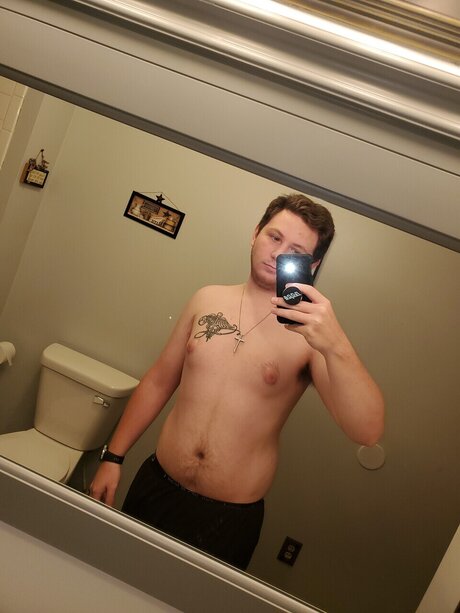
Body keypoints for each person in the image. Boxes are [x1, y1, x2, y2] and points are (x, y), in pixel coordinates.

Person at [90, 193, 384, 570]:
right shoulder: (206, 299)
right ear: (255, 234)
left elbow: (367, 431)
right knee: (114, 576)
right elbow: (159, 381)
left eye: (295, 251)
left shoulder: (310, 338)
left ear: (311, 265)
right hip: (157, 484)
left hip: (228, 518)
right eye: (274, 237)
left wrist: (336, 343)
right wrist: (113, 457)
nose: (278, 252)